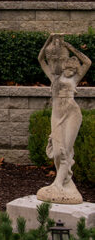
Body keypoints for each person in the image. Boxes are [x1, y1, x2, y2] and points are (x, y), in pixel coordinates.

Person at [36, 33, 91, 202]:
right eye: (67, 68)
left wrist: (69, 46)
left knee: (65, 151)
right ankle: (64, 181)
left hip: (72, 114)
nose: (70, 71)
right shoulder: (54, 77)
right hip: (57, 115)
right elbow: (40, 59)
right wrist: (49, 40)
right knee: (58, 152)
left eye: (73, 69)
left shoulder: (75, 78)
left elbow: (87, 62)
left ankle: (58, 185)